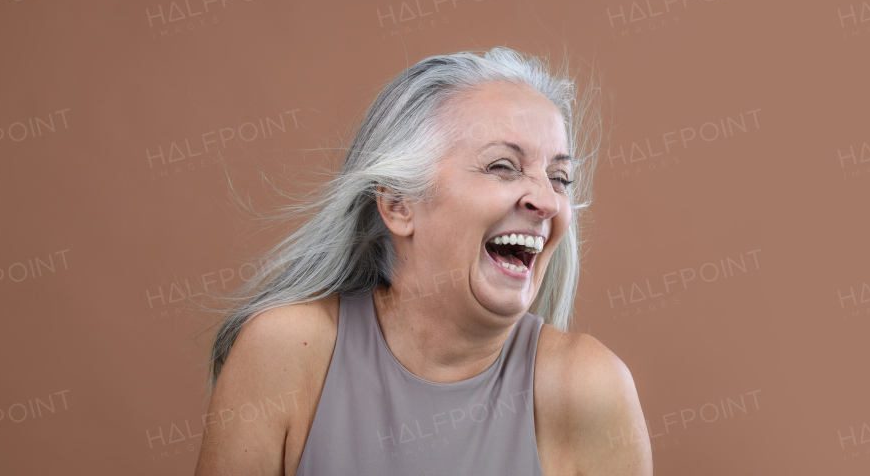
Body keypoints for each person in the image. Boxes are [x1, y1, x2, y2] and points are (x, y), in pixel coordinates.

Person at [193, 48, 652, 475]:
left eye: (559, 178)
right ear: (398, 204)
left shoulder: (589, 387)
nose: (547, 202)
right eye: (502, 167)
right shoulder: (286, 351)